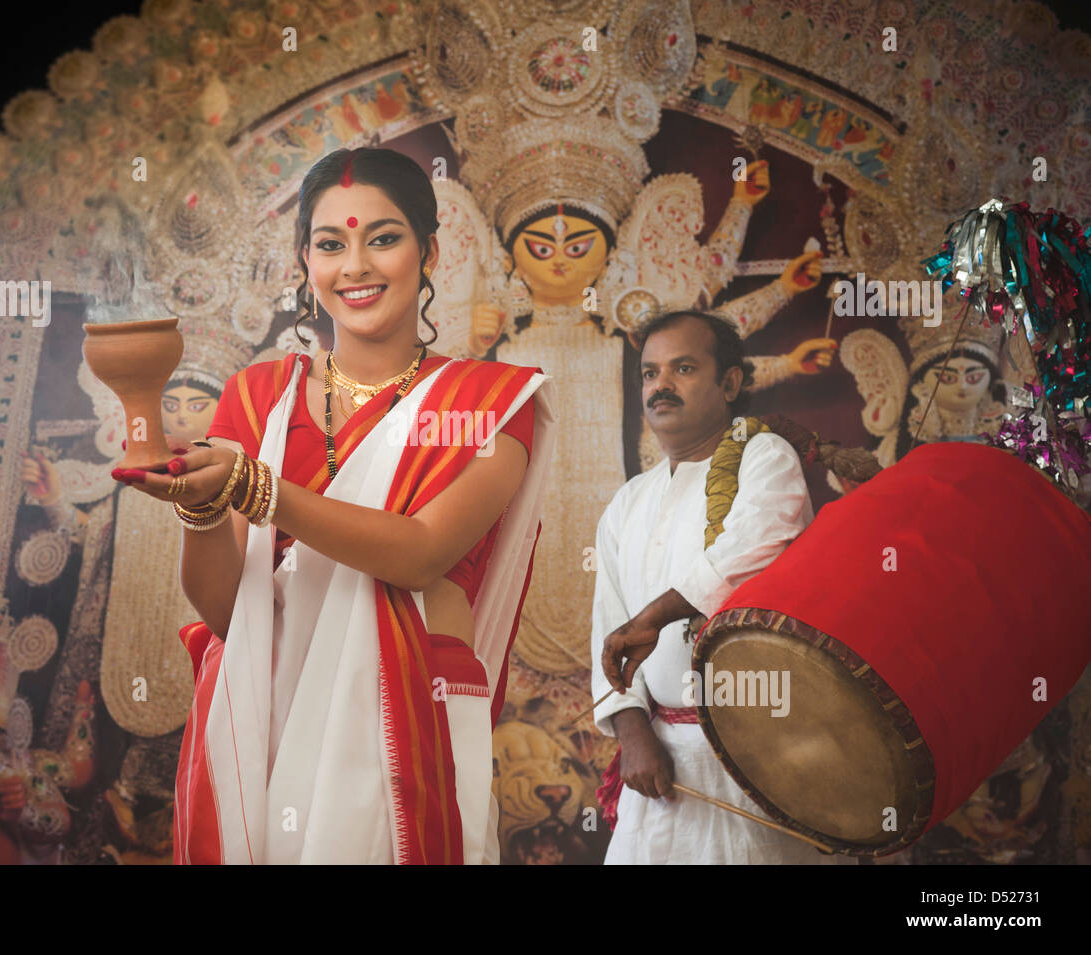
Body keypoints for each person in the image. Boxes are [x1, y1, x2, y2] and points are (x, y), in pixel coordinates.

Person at [114, 147, 555, 864]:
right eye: (330, 244)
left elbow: (419, 554)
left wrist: (255, 489)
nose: (355, 266)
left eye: (382, 238)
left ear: (430, 251)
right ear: (305, 264)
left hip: (408, 715)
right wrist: (200, 510)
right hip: (265, 709)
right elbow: (230, 614)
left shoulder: (486, 403)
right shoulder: (256, 397)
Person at [590, 307, 848, 865]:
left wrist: (651, 618)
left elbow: (751, 551)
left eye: (682, 369)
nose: (661, 385)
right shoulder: (627, 503)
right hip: (661, 768)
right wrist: (634, 736)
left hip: (758, 755)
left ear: (729, 382)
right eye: (650, 373)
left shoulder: (764, 457)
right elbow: (607, 635)